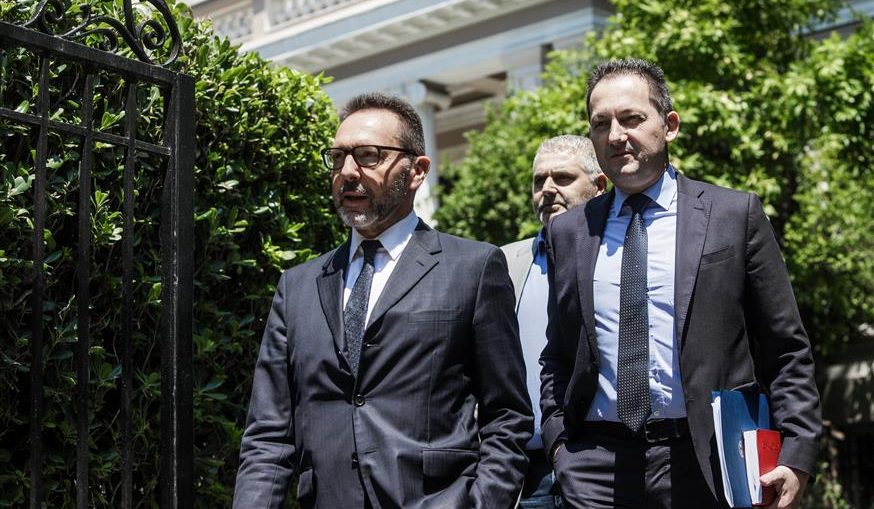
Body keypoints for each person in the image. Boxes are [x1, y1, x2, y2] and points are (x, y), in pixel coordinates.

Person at [540, 58, 821, 509]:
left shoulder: (734, 216)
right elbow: (558, 355)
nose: (616, 135)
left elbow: (785, 346)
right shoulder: (569, 232)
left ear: (669, 126)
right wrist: (560, 445)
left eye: (631, 118)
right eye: (601, 123)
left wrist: (797, 452)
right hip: (595, 470)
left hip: (707, 460)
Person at [233, 92, 532, 509]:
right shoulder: (297, 286)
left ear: (417, 171)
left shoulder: (474, 268)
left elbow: (507, 417)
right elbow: (269, 436)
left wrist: (481, 503)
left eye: (368, 155)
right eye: (338, 158)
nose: (347, 172)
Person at [501, 135, 606, 508]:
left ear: (599, 186)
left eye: (562, 178)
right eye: (538, 181)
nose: (547, 190)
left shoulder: (623, 258)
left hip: (608, 463)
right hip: (525, 475)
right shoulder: (503, 264)